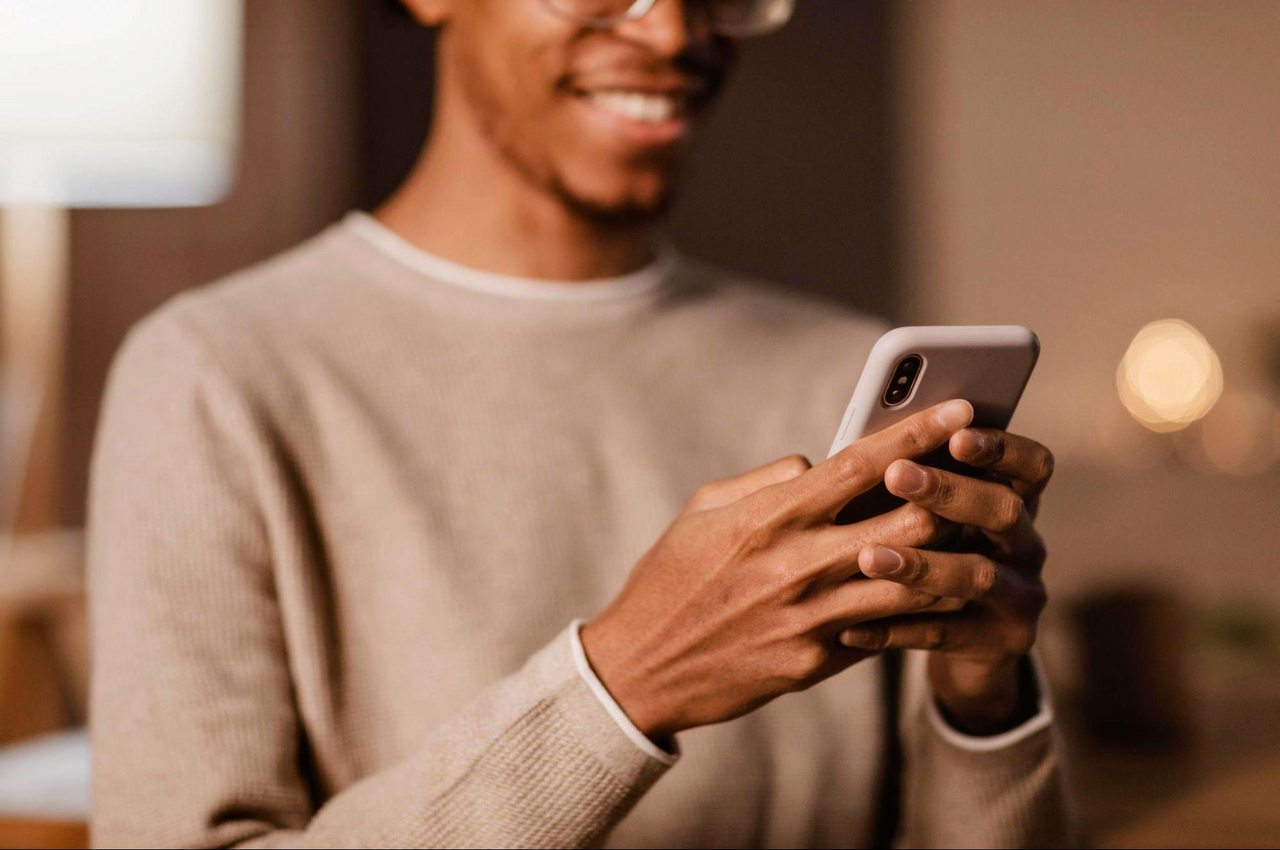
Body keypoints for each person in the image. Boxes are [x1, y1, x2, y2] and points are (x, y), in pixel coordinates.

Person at [89, 0, 1073, 846]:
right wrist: (622, 687)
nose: (674, 31)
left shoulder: (842, 373)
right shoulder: (216, 375)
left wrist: (980, 705)